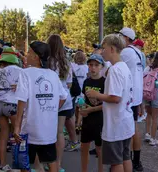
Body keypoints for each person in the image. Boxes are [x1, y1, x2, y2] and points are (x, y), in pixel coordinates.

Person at [14, 41, 67, 172]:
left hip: (29, 128)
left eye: (29, 52)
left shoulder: (25, 73)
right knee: (51, 160)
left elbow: (21, 102)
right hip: (48, 128)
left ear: (36, 57)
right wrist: (52, 110)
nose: (26, 54)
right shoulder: (53, 75)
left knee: (25, 162)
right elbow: (64, 97)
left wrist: (16, 126)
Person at [86, 34, 134, 172]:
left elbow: (115, 97)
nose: (102, 51)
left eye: (104, 48)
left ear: (112, 49)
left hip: (115, 123)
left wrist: (97, 95)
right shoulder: (124, 68)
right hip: (125, 120)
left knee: (115, 162)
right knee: (125, 157)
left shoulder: (115, 70)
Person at [47, 34, 79, 172]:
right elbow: (70, 84)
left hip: (48, 100)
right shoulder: (66, 62)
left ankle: (48, 162)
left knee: (48, 132)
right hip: (64, 99)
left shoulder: (47, 61)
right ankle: (58, 163)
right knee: (60, 132)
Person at [0, 47, 22, 172]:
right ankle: (20, 164)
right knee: (18, 135)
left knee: (3, 136)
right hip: (13, 105)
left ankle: (2, 165)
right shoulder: (19, 71)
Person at [119, 27, 144, 171]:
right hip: (136, 96)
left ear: (126, 38)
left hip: (128, 97)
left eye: (120, 35)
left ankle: (126, 161)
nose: (117, 37)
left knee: (128, 130)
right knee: (134, 128)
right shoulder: (138, 53)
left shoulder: (126, 52)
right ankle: (136, 161)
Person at [80, 54, 105, 172]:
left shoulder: (105, 82)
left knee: (99, 150)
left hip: (100, 120)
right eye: (91, 65)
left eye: (96, 65)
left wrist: (90, 109)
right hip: (87, 120)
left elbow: (106, 105)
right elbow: (84, 100)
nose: (93, 68)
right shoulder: (86, 82)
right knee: (84, 147)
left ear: (101, 67)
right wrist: (82, 110)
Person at [143, 51, 158, 146]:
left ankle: (147, 134)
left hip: (146, 93)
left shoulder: (148, 68)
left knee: (148, 115)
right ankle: (153, 139)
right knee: (155, 117)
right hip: (156, 94)